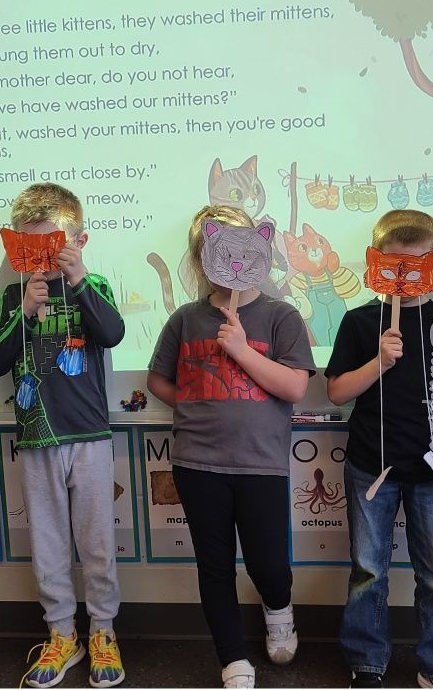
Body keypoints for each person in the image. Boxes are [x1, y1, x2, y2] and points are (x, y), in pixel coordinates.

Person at [146, 205, 314, 688]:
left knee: (268, 562)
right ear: (203, 257)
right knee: (214, 564)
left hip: (261, 463)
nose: (233, 263)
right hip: (197, 463)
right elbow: (159, 380)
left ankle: (277, 607)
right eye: (219, 251)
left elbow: (295, 388)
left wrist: (240, 349)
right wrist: (194, 403)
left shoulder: (281, 316)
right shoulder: (185, 319)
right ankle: (232, 657)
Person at [326, 209, 433, 689]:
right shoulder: (358, 323)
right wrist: (379, 360)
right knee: (368, 570)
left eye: (415, 265)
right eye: (393, 265)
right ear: (376, 263)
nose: (404, 276)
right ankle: (367, 660)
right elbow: (336, 392)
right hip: (369, 465)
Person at [0, 184, 126, 689]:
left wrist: (79, 279)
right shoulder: (10, 297)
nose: (43, 258)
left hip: (88, 435)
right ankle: (61, 632)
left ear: (77, 241)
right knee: (47, 544)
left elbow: (111, 334)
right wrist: (22, 308)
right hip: (36, 439)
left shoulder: (96, 285)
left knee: (97, 543)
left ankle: (102, 631)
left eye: (54, 246)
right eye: (31, 247)